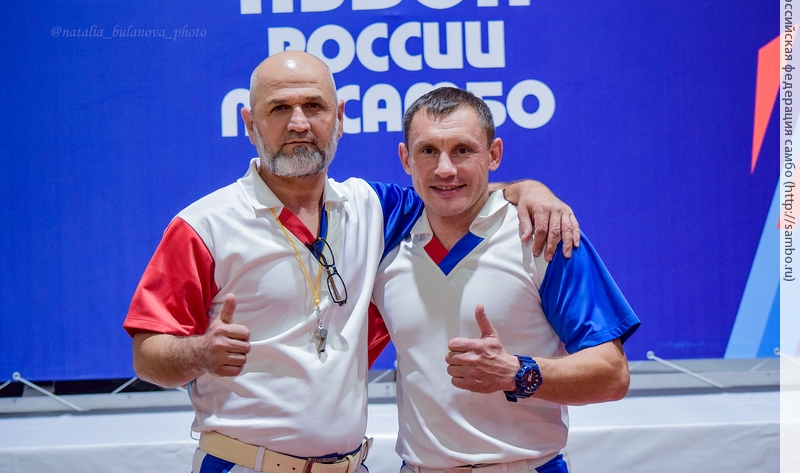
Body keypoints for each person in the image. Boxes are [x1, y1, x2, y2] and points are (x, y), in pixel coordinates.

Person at [123, 51, 580, 473]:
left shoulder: (372, 208)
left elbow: (452, 192)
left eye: (314, 107)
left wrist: (528, 190)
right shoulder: (203, 226)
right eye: (279, 108)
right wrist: (200, 353)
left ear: (339, 118)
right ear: (249, 123)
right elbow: (147, 356)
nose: (299, 123)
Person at [371, 87, 640, 473]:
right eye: (428, 150)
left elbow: (612, 374)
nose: (445, 169)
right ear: (405, 158)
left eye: (463, 150)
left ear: (494, 154)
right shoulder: (386, 234)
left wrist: (516, 372)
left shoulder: (542, 233)